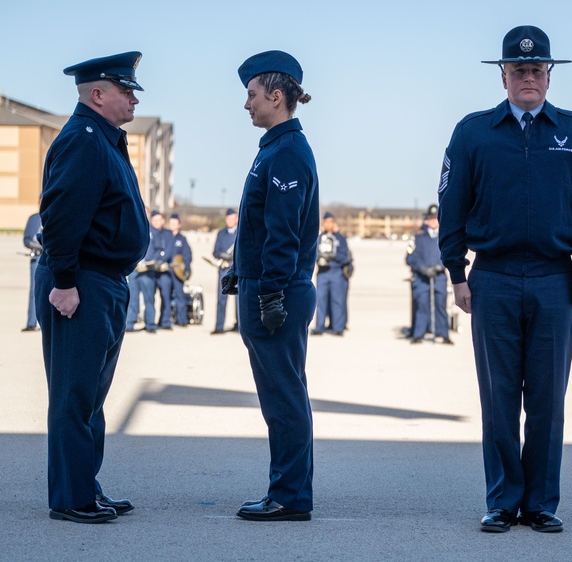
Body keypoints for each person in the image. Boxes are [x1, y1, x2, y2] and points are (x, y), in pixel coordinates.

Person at [438, 25, 572, 533]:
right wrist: (456, 272)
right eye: (518, 70)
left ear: (549, 76)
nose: (528, 77)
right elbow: (451, 205)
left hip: (554, 280)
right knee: (498, 398)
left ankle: (540, 503)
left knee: (546, 400)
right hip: (491, 278)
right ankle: (502, 501)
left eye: (537, 70)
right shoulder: (472, 133)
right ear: (504, 77)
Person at [35, 51, 149, 523]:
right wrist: (64, 282)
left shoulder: (103, 138)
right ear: (97, 94)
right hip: (80, 282)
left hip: (103, 281)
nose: (133, 99)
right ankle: (71, 497)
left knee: (91, 399)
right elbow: (60, 213)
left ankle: (86, 486)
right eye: (126, 91)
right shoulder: (84, 140)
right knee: (74, 396)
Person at [225, 50, 318, 522]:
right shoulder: (275, 149)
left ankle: (290, 496)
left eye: (252, 94)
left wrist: (271, 291)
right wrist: (240, 270)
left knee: (283, 398)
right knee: (282, 395)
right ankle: (290, 490)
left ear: (275, 96)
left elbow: (284, 233)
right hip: (266, 285)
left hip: (276, 292)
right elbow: (262, 228)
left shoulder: (286, 153)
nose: (247, 104)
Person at [406, 212, 450, 344]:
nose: (433, 221)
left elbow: (451, 254)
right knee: (422, 305)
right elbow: (410, 257)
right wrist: (421, 268)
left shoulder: (446, 236)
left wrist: (441, 266)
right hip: (422, 277)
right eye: (430, 219)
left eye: (435, 218)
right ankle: (419, 333)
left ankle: (443, 333)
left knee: (441, 305)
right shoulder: (418, 238)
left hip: (439, 277)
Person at [311, 212, 351, 336]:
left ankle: (337, 327)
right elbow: (312, 253)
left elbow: (345, 256)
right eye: (326, 222)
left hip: (336, 272)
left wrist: (332, 257)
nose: (329, 224)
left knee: (337, 300)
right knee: (320, 300)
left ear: (334, 223)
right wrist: (321, 257)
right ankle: (319, 326)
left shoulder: (340, 238)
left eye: (331, 222)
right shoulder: (319, 238)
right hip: (323, 272)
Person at [134, 210, 174, 333]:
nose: (157, 222)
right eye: (154, 220)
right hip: (140, 268)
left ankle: (160, 322)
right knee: (134, 298)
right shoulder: (141, 228)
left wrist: (159, 261)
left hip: (156, 268)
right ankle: (131, 323)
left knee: (160, 296)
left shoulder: (166, 234)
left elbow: (164, 250)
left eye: (159, 220)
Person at [211, 208, 239, 334]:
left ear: (237, 219)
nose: (230, 221)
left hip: (237, 270)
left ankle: (239, 326)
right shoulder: (221, 234)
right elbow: (215, 252)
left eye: (232, 218)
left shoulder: (241, 232)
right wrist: (222, 255)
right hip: (224, 270)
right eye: (228, 219)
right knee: (221, 299)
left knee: (239, 300)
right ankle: (219, 326)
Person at [167, 214, 192, 327]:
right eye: (171, 223)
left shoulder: (182, 239)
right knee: (166, 296)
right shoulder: (165, 236)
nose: (172, 225)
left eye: (174, 223)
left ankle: (182, 320)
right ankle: (166, 321)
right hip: (166, 270)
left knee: (180, 295)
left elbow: (187, 254)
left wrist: (186, 267)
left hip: (177, 271)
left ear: (179, 225)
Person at [22, 205, 43, 332]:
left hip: (55, 257)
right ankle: (31, 322)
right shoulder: (34, 218)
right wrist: (36, 245)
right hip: (38, 258)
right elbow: (27, 240)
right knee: (35, 291)